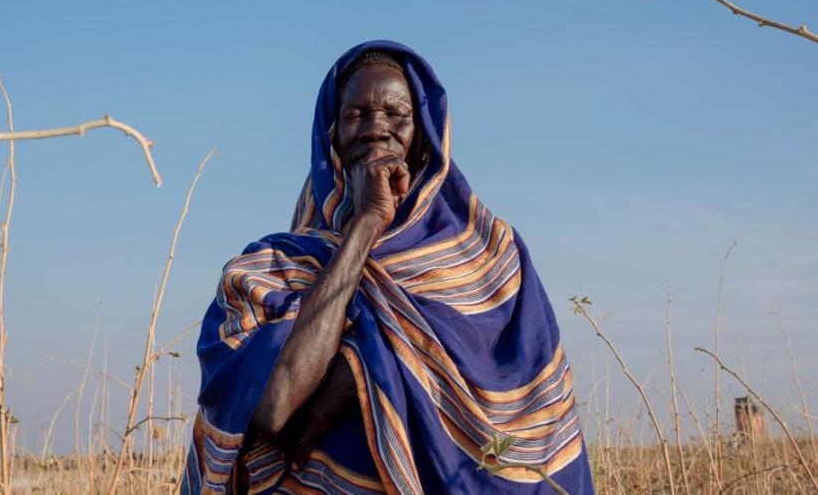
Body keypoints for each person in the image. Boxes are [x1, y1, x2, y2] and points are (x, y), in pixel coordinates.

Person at [181, 41, 593, 494]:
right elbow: (275, 404)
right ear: (331, 134)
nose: (377, 128)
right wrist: (365, 226)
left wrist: (355, 368)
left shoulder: (493, 256)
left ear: (426, 134)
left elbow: (530, 417)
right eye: (356, 114)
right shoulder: (269, 270)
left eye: (396, 114)